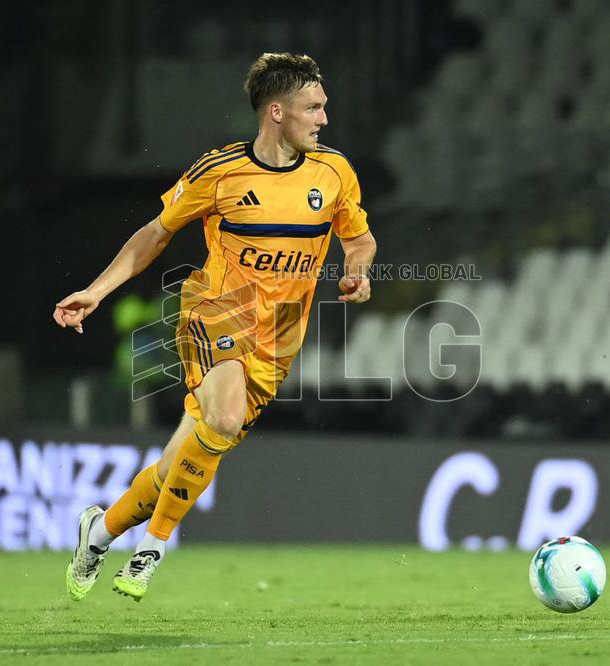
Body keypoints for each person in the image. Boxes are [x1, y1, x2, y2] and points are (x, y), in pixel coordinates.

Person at [53, 53, 377, 603]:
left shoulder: (335, 172)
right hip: (217, 308)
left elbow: (360, 238)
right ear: (277, 111)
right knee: (223, 418)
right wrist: (97, 290)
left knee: (184, 458)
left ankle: (101, 531)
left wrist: (356, 271)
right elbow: (155, 234)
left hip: (280, 336)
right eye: (313, 108)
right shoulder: (220, 172)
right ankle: (153, 548)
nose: (325, 118)